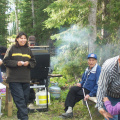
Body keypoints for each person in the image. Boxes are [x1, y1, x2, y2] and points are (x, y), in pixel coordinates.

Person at [3, 32, 36, 120]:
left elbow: (33, 62)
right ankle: (25, 118)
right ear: (17, 39)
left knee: (24, 100)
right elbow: (5, 61)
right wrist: (16, 63)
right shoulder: (12, 48)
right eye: (21, 38)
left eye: (24, 38)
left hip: (25, 79)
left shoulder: (28, 49)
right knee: (20, 100)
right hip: (14, 79)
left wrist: (28, 63)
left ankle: (20, 118)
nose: (23, 40)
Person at [60, 53, 101, 118]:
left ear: (96, 61)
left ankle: (69, 112)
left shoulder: (98, 69)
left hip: (90, 91)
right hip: (83, 87)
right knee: (73, 89)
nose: (91, 62)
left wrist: (90, 94)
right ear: (87, 61)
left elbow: (98, 84)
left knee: (75, 95)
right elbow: (84, 79)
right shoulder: (87, 69)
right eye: (90, 60)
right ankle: (69, 110)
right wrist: (81, 83)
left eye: (93, 60)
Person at [96, 55, 120, 120]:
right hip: (111, 97)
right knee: (111, 117)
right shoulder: (108, 67)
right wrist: (100, 107)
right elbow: (102, 87)